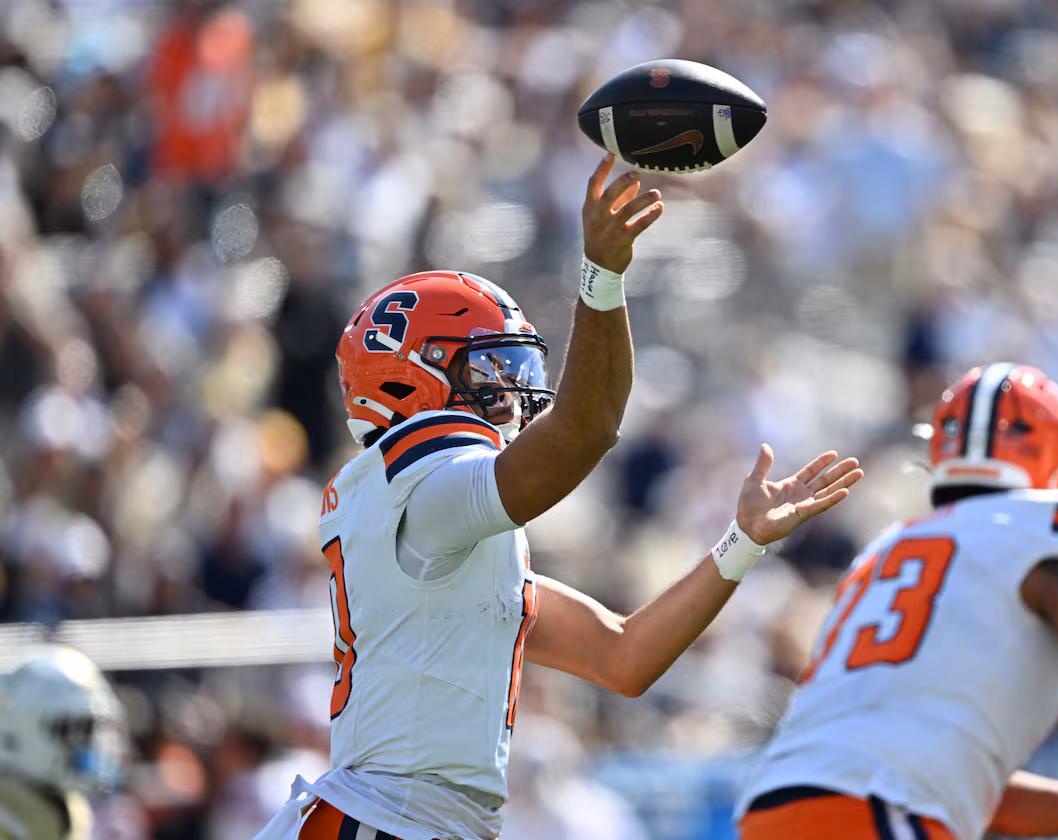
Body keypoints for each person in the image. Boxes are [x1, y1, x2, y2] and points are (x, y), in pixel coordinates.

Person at [255, 153, 865, 840]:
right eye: (486, 368)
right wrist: (602, 277)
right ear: (411, 378)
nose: (509, 391)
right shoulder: (414, 483)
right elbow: (586, 431)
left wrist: (743, 541)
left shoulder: (439, 536)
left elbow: (622, 657)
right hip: (383, 821)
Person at [735, 362, 1058, 840]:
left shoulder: (885, 552)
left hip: (775, 810)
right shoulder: (1033, 533)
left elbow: (950, 778)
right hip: (877, 814)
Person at [0, 645, 128, 840]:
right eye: (71, 729)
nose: (89, 743)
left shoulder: (68, 808)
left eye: (91, 729)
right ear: (14, 732)